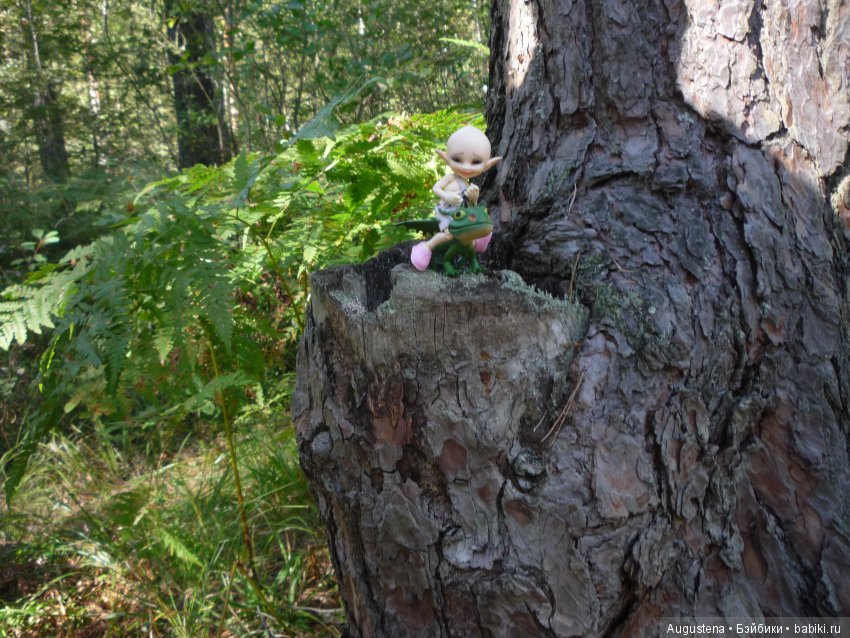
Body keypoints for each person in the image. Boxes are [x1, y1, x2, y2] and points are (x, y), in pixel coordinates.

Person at [410, 126, 501, 271]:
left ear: (487, 165)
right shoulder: (450, 178)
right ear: (446, 158)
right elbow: (436, 188)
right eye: (458, 159)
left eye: (475, 162)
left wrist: (474, 198)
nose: (466, 167)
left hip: (461, 215)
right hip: (446, 211)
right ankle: (425, 248)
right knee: (448, 235)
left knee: (467, 239)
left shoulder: (468, 184)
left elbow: (472, 206)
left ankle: (474, 250)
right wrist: (447, 196)